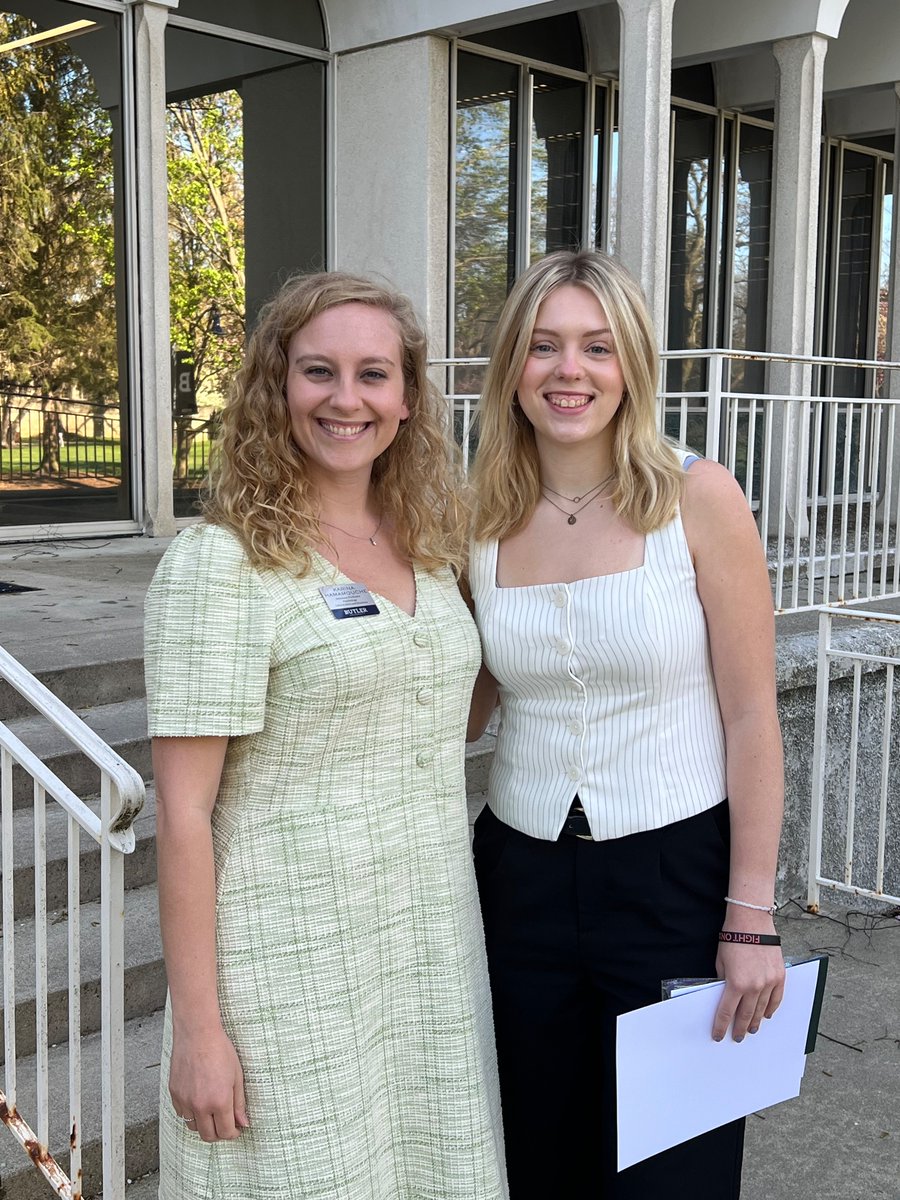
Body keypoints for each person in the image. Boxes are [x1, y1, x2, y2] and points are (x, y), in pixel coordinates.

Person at [145, 272, 507, 1199]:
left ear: (408, 397)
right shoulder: (222, 564)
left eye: (373, 374)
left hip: (424, 943)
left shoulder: (431, 543)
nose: (347, 398)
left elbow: (446, 714)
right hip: (286, 963)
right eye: (319, 371)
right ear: (278, 385)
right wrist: (199, 1031)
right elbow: (183, 815)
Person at [466, 249, 785, 1199]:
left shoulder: (699, 497)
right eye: (544, 346)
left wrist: (752, 917)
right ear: (513, 366)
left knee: (676, 1172)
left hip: (674, 878)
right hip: (518, 879)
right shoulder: (475, 514)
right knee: (540, 1159)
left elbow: (751, 715)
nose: (570, 370)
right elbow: (463, 696)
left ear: (632, 364)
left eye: (597, 347)